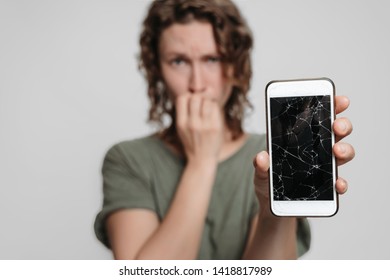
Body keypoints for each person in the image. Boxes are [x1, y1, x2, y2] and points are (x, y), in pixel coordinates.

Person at [94, 0, 355, 260]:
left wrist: (270, 208)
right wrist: (201, 161)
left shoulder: (268, 153)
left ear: (235, 66)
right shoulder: (127, 159)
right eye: (178, 62)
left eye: (212, 59)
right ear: (157, 70)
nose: (197, 84)